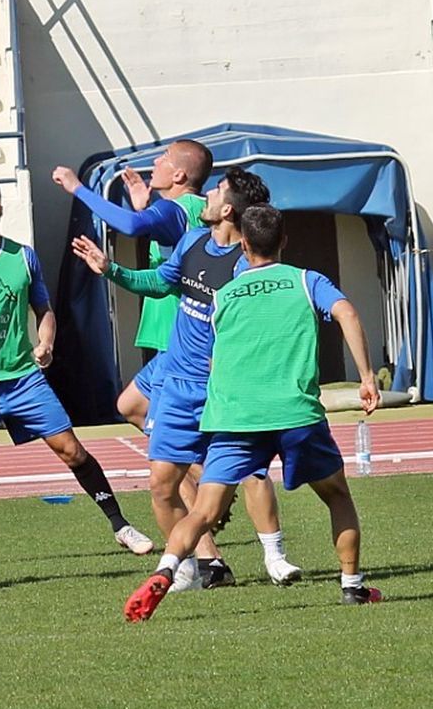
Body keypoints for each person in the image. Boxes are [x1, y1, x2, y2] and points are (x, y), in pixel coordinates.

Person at [121, 205, 384, 622]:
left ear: (244, 245)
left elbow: (213, 357)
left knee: (203, 512)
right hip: (294, 412)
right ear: (284, 240)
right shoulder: (304, 280)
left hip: (237, 416)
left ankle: (164, 572)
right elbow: (347, 312)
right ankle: (353, 587)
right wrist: (367, 377)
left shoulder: (224, 297)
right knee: (336, 496)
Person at [72, 168, 300, 590]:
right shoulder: (193, 241)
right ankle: (192, 569)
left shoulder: (247, 267)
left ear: (228, 208)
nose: (207, 195)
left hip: (223, 389)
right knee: (161, 486)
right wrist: (112, 271)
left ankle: (275, 556)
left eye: (216, 191)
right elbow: (161, 282)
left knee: (253, 473)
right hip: (178, 384)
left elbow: (257, 330)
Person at [0, 177, 155, 556]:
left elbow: (44, 311)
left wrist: (46, 342)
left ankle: (121, 525)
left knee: (72, 450)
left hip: (23, 379)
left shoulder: (22, 256)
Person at [52, 138, 212, 430]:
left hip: (179, 338)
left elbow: (131, 226)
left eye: (164, 157)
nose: (155, 162)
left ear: (179, 175)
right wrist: (147, 209)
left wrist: (78, 188)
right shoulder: (191, 210)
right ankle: (201, 473)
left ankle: (215, 474)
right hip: (183, 337)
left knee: (170, 434)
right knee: (132, 406)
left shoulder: (174, 209)